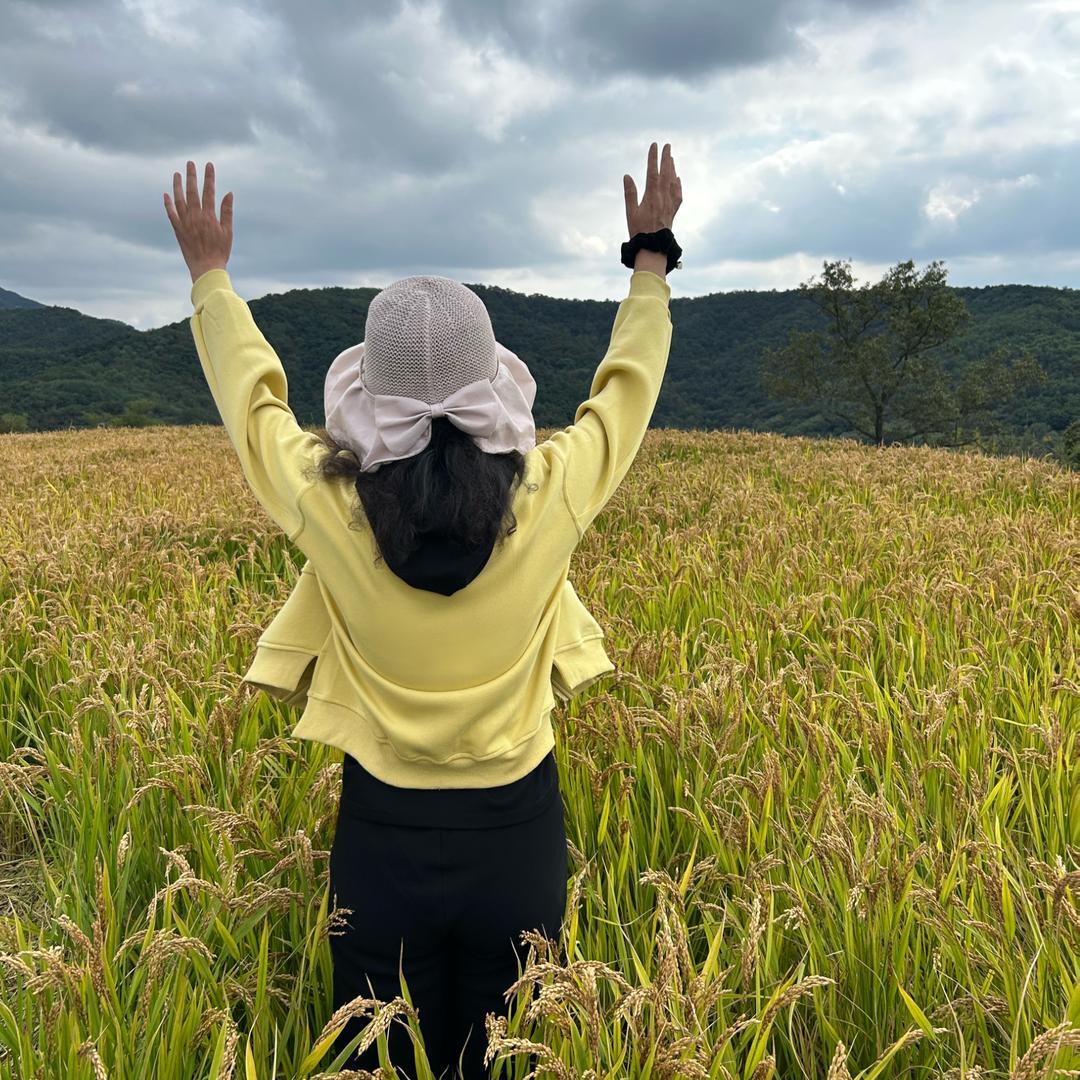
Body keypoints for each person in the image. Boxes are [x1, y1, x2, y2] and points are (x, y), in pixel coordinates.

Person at [166, 141, 682, 1078]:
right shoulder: (552, 492)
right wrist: (651, 256)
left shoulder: (327, 505)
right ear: (494, 388)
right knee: (507, 1056)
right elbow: (626, 391)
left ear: (373, 398)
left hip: (380, 840)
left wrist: (211, 278)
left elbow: (255, 406)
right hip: (519, 836)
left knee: (374, 1060)